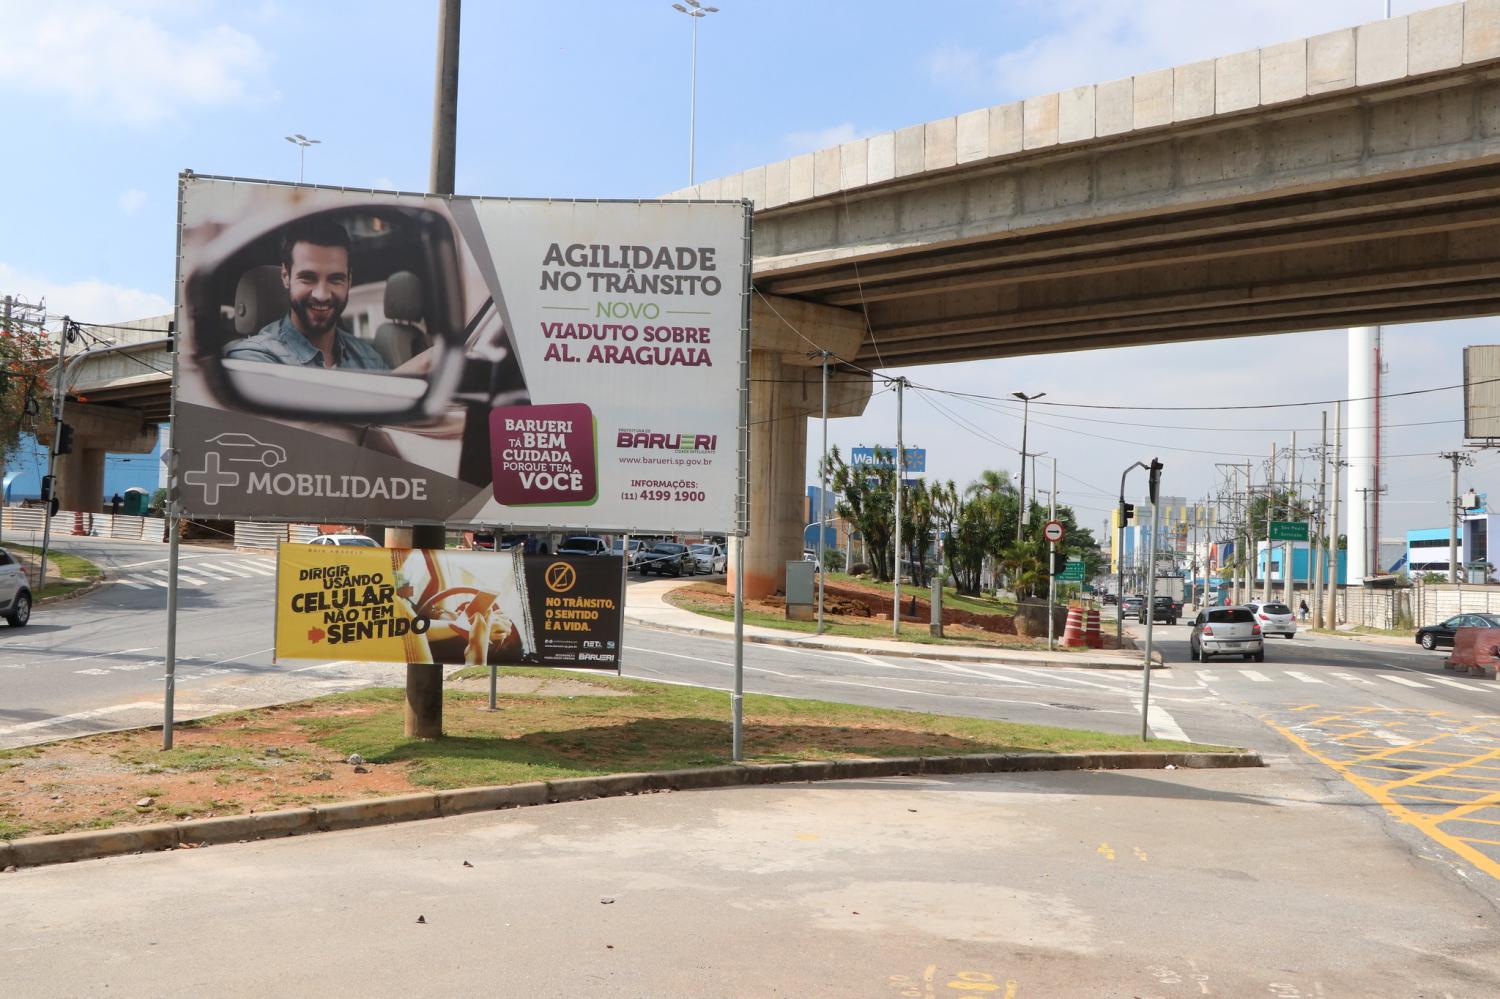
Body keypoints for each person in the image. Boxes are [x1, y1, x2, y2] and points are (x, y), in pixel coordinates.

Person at [224, 219, 390, 371]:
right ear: (286, 277)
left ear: (349, 281)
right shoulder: (253, 357)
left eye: (335, 279)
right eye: (308, 278)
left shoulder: (368, 357)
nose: (322, 295)